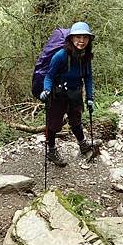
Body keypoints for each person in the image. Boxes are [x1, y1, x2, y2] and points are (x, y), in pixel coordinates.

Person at [39, 21, 98, 166]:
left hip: (75, 93)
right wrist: (46, 90)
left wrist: (90, 98)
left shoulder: (86, 56)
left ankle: (83, 145)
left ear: (89, 39)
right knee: (53, 125)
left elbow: (88, 77)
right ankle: (51, 151)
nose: (81, 41)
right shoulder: (61, 55)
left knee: (76, 121)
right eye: (78, 37)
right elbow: (49, 76)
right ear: (71, 38)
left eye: (85, 37)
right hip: (58, 94)